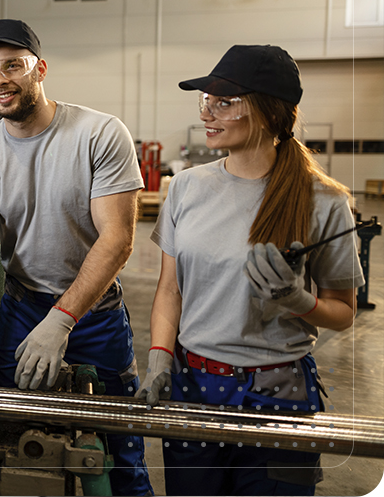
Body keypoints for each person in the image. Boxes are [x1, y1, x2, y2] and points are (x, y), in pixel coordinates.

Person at [137, 44, 364, 495]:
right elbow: (169, 290)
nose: (208, 113)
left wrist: (299, 302)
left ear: (267, 111)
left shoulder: (325, 201)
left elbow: (343, 311)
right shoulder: (185, 187)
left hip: (278, 396)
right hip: (194, 386)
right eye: (206, 101)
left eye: (225, 101)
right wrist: (160, 356)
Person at [0, 19, 153, 496]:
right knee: (17, 450)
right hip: (21, 311)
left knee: (119, 457)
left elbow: (117, 238)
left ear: (40, 68)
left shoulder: (99, 133)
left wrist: (63, 319)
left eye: (12, 65)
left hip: (95, 317)